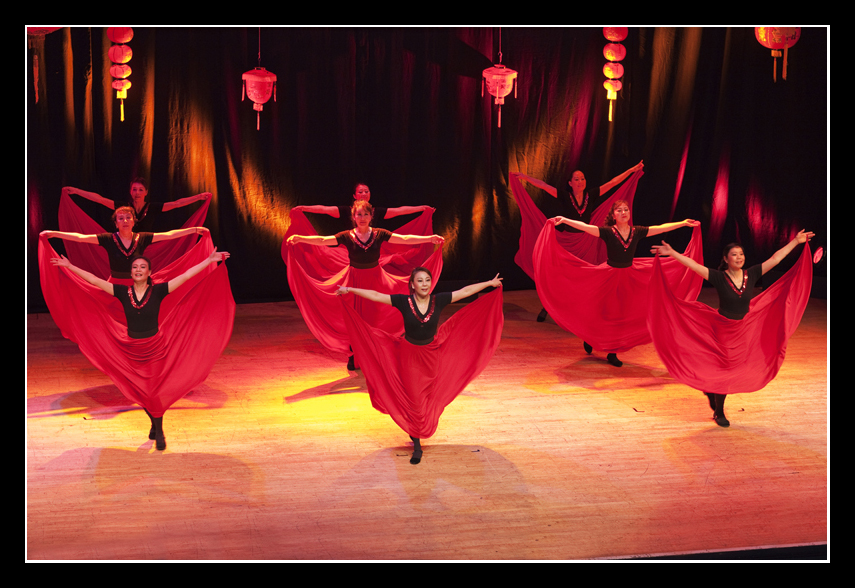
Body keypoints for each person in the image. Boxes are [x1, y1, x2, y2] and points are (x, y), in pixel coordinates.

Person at [40, 238, 235, 450]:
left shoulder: (160, 290)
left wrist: (209, 260)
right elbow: (95, 281)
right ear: (131, 273)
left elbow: (186, 275)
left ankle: (158, 430)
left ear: (149, 272)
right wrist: (70, 267)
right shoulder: (122, 292)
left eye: (142, 267)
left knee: (154, 391)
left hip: (155, 348)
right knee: (141, 392)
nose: (138, 270)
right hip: (131, 349)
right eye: (135, 267)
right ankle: (154, 424)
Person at [337, 267, 504, 464]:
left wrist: (489, 284)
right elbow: (375, 295)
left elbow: (464, 292)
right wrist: (349, 289)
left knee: (427, 397)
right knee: (415, 400)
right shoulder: (403, 301)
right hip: (409, 357)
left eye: (427, 280)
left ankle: (415, 429)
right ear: (413, 285)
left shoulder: (438, 300)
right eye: (420, 281)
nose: (424, 284)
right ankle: (417, 443)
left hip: (431, 356)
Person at [649, 230, 815, 427]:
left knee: (734, 367)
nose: (739, 257)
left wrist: (796, 241)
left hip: (743, 329)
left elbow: (776, 258)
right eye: (734, 254)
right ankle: (719, 412)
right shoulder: (719, 277)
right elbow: (694, 266)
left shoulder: (751, 274)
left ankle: (711, 390)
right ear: (726, 259)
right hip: (723, 329)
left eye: (741, 254)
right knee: (726, 369)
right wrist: (673, 252)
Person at [533, 199, 702, 367]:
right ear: (613, 215)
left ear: (629, 214)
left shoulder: (637, 231)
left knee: (620, 315)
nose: (623, 213)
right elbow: (587, 228)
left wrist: (683, 223)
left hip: (629, 276)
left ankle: (612, 352)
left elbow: (659, 228)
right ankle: (590, 338)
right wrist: (565, 220)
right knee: (601, 312)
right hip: (609, 276)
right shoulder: (608, 232)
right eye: (619, 210)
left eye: (626, 210)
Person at [286, 200, 444, 370]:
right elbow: (324, 240)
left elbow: (405, 238)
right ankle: (355, 354)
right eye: (359, 214)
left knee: (373, 320)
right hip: (354, 281)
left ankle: (373, 354)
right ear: (354, 217)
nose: (362, 217)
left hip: (376, 281)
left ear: (371, 216)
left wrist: (430, 238)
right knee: (355, 319)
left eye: (365, 214)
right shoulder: (347, 236)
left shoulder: (379, 234)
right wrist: (300, 238)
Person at [509, 162, 644, 321]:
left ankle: (582, 309)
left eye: (582, 179)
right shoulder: (565, 196)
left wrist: (631, 170)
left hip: (587, 242)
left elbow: (613, 183)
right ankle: (548, 307)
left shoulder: (591, 194)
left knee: (587, 276)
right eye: (577, 179)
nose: (580, 182)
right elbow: (544, 186)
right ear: (570, 183)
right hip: (568, 242)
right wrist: (525, 177)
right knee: (561, 276)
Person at [42, 206, 209, 281]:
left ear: (134, 221)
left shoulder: (142, 238)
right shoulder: (108, 239)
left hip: (139, 284)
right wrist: (54, 234)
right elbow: (80, 237)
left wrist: (193, 230)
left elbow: (169, 235)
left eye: (128, 218)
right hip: (115, 283)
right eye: (120, 219)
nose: (125, 221)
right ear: (116, 224)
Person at [63, 179, 211, 233]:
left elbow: (177, 204)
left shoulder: (152, 208)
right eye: (134, 189)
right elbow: (99, 199)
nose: (137, 193)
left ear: (146, 192)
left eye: (140, 190)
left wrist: (198, 197)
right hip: (126, 245)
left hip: (146, 245)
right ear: (130, 191)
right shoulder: (123, 206)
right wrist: (76, 191)